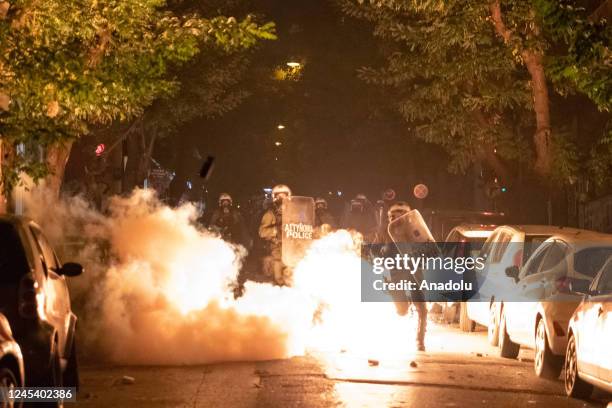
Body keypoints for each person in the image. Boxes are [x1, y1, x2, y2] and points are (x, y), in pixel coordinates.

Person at [384, 201, 428, 352]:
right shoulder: (387, 231)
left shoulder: (416, 230)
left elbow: (427, 246)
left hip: (415, 272)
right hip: (397, 273)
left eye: (401, 213)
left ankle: (420, 341)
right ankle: (403, 306)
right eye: (392, 215)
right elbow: (380, 251)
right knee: (401, 310)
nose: (395, 217)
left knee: (422, 308)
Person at [258, 184, 292, 285]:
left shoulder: (294, 212)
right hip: (277, 250)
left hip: (293, 248)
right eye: (279, 196)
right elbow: (262, 232)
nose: (281, 198)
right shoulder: (270, 214)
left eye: (284, 195)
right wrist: (276, 230)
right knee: (278, 278)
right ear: (274, 198)